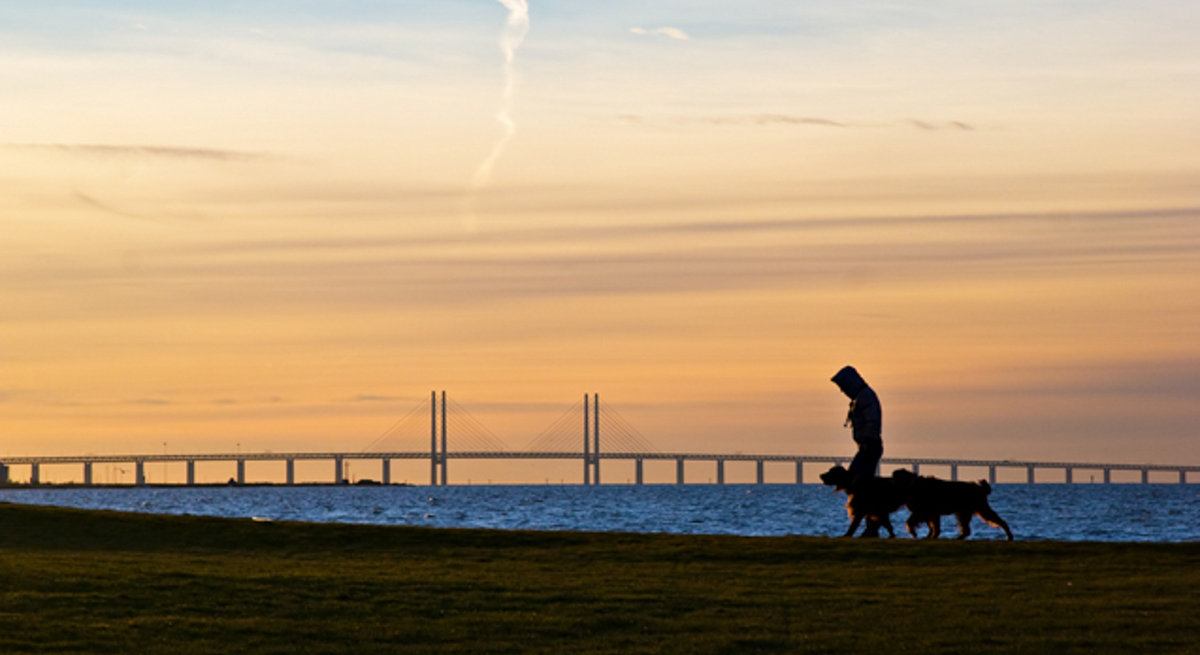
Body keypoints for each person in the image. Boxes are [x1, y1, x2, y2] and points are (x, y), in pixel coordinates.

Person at [831, 366, 883, 487]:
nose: (843, 391)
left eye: (843, 387)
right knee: (858, 481)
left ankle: (863, 505)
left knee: (856, 481)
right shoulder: (861, 397)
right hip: (867, 446)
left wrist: (869, 439)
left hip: (869, 446)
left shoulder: (865, 397)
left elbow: (872, 420)